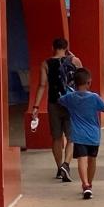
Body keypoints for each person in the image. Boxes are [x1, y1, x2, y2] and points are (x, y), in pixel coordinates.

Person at [30, 37, 82, 182]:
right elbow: (82, 80)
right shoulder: (74, 61)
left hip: (54, 103)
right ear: (66, 47)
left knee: (56, 137)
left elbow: (42, 85)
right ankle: (67, 164)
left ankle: (59, 168)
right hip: (72, 104)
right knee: (71, 137)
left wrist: (36, 106)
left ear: (53, 47)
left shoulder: (46, 64)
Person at [58, 68, 104, 200]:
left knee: (82, 159)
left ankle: (84, 184)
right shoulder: (94, 97)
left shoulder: (70, 97)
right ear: (89, 82)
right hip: (94, 135)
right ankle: (89, 184)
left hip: (78, 134)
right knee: (92, 160)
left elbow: (60, 100)